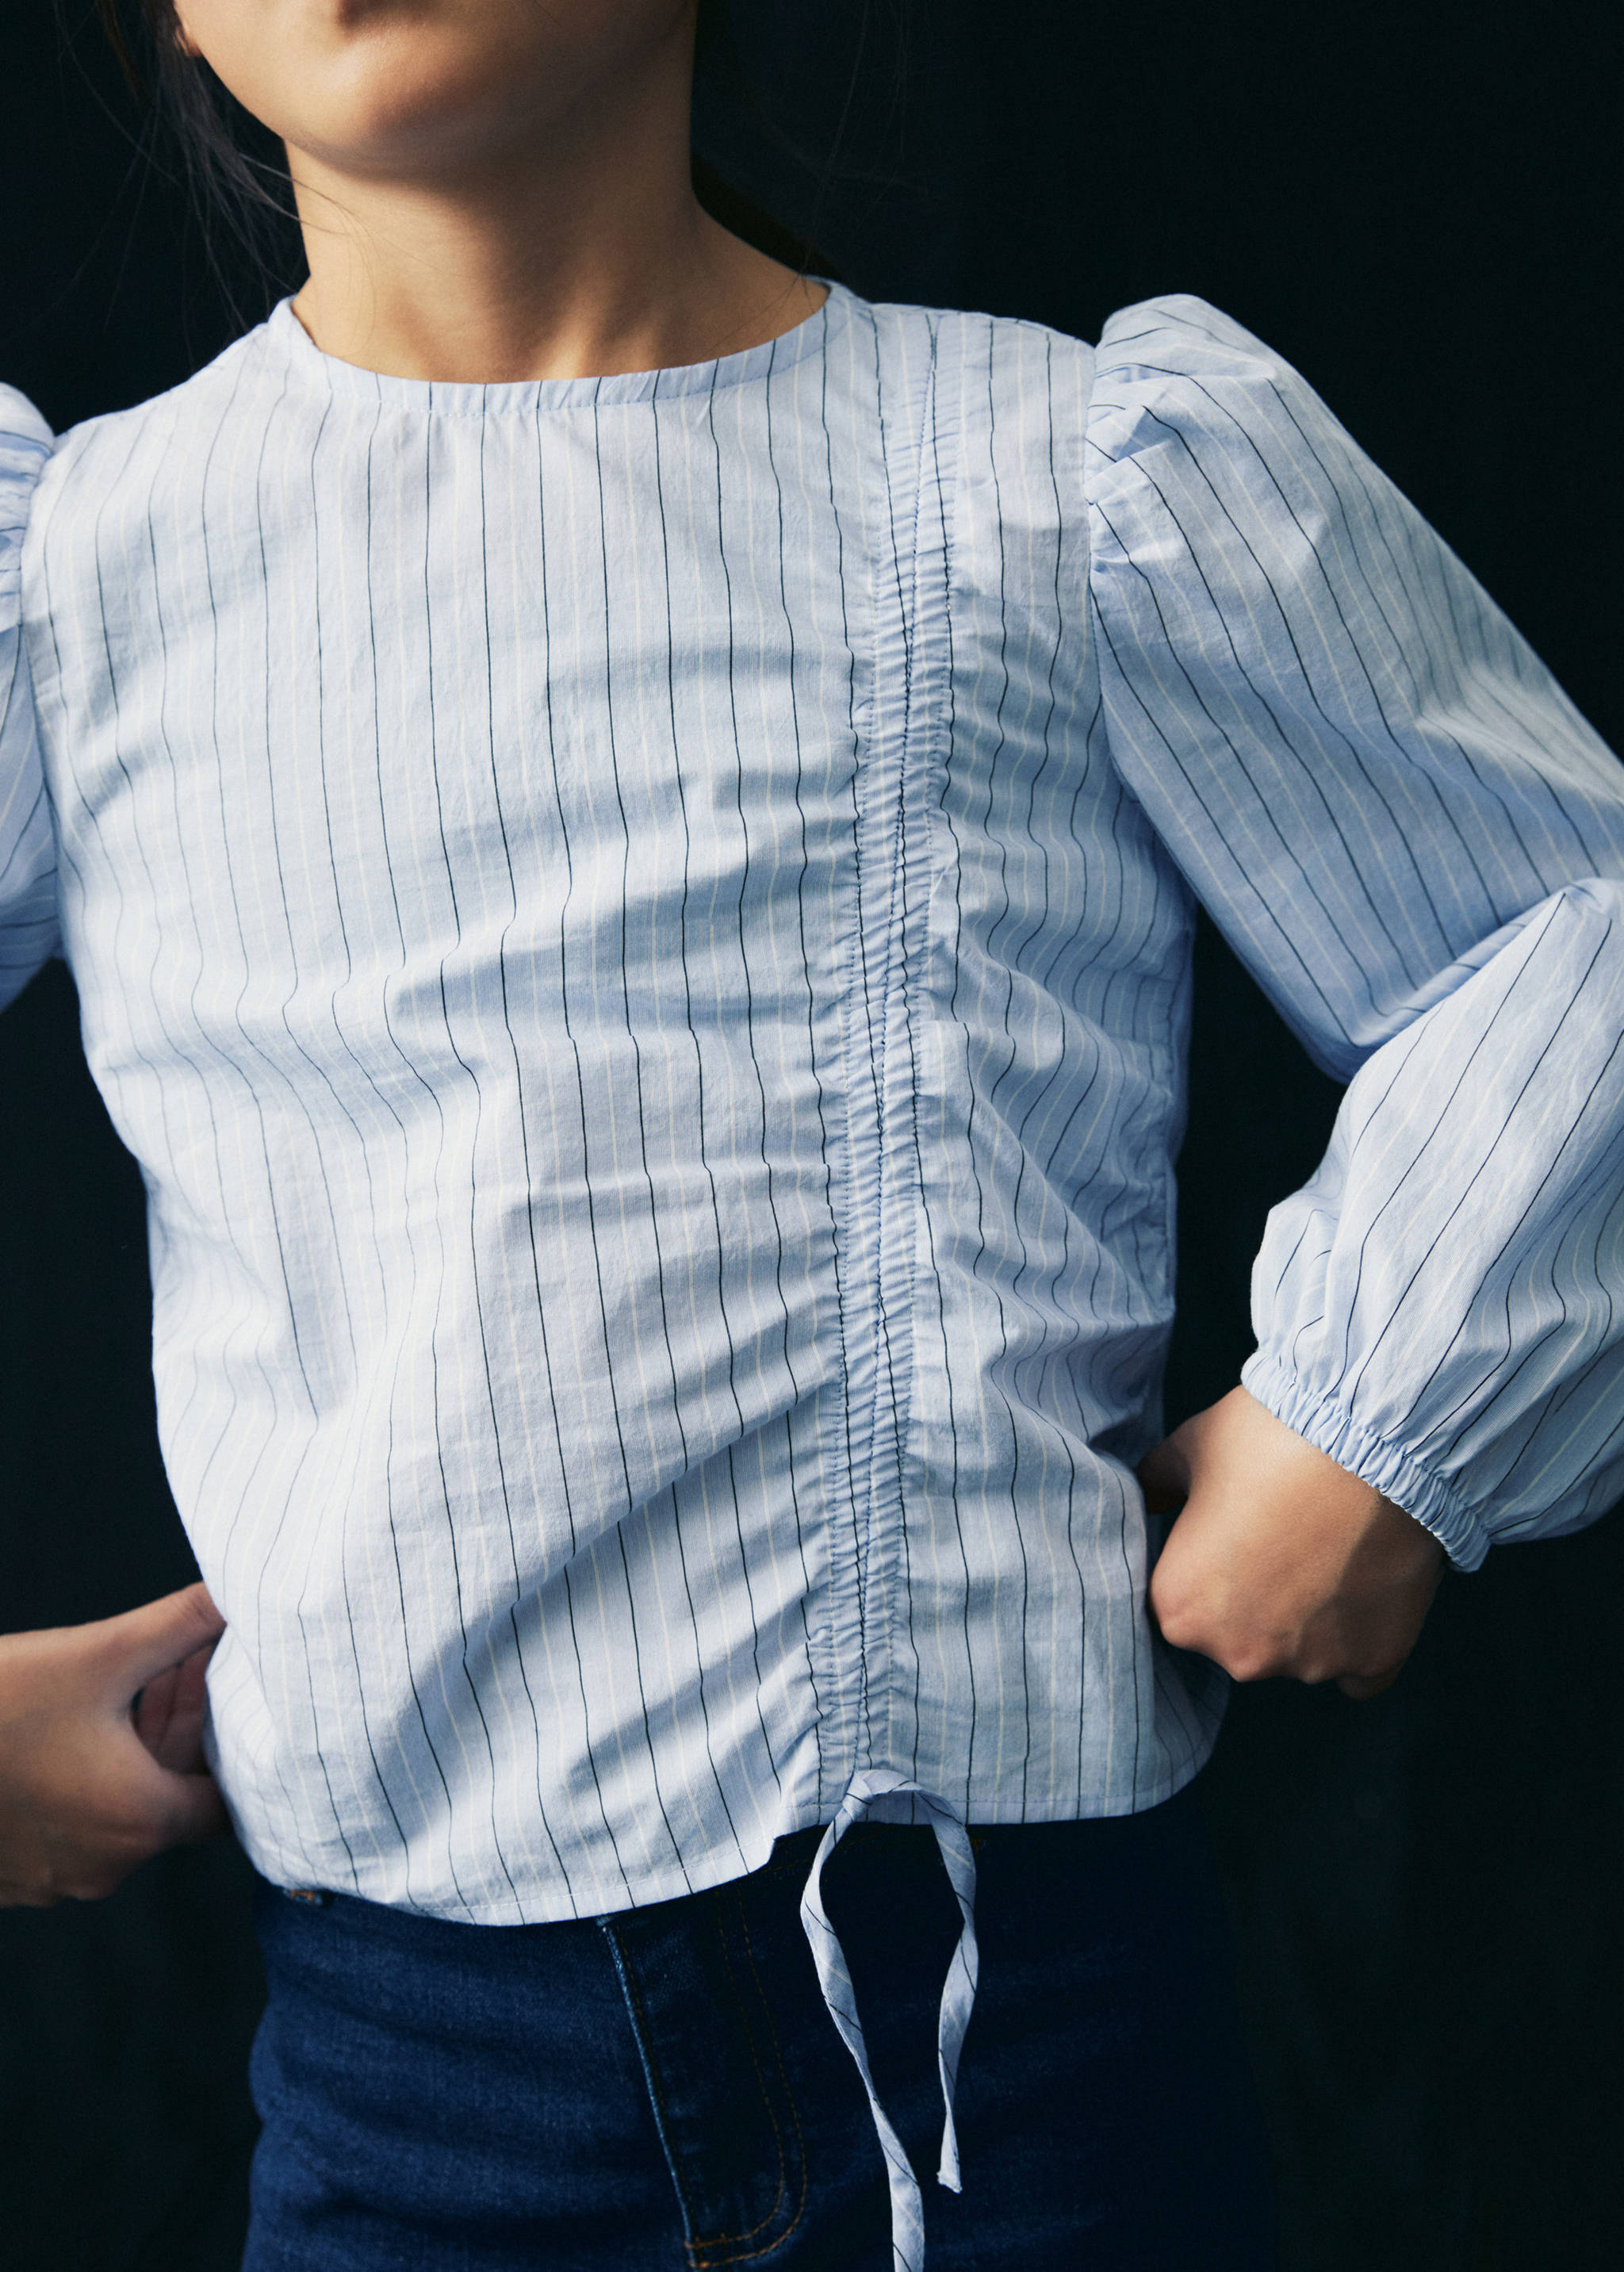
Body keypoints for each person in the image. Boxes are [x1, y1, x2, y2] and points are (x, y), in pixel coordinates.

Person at [1, 2, 1620, 2266]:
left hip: (1028, 2047)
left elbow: (1566, 926)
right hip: (413, 2090)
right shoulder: (88, 576)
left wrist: (1379, 1414)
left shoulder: (1068, 472)